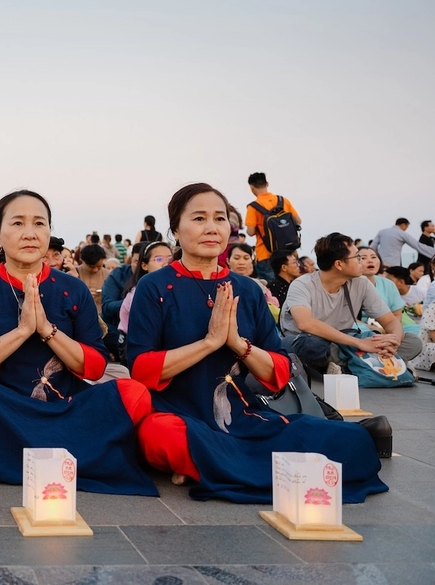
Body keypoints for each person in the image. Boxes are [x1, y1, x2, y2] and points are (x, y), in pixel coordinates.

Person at [129, 183, 387, 503]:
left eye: (220, 219)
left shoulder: (247, 290)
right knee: (158, 436)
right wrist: (210, 342)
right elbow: (141, 369)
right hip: (179, 415)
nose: (212, 228)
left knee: (352, 440)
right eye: (198, 218)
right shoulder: (155, 286)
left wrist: (239, 344)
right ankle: (218, 462)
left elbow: (278, 371)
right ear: (175, 231)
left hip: (244, 416)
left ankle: (207, 466)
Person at [0, 190, 156, 495]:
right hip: (4, 410)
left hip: (65, 408)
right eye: (18, 223)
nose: (30, 233)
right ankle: (71, 455)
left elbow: (95, 366)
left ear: (49, 232)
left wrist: (47, 330)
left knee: (135, 393)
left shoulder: (72, 289)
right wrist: (22, 331)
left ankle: (7, 456)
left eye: (39, 224)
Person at [280, 233, 423, 377]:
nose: (361, 262)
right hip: (307, 340)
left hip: (345, 342)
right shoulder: (302, 284)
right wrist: (360, 344)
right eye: (357, 257)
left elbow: (390, 321)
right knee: (312, 346)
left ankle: (355, 365)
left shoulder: (361, 283)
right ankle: (383, 364)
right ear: (339, 264)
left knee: (413, 341)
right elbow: (305, 324)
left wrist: (393, 342)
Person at [244, 172, 302, 280]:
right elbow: (298, 221)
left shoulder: (253, 207)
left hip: (265, 253)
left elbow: (251, 232)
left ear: (251, 188)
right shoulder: (283, 200)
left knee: (271, 291)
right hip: (288, 253)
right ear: (267, 184)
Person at [118, 241, 173, 335]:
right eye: (159, 259)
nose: (166, 264)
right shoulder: (138, 293)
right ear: (144, 265)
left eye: (170, 259)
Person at [76, 244, 108, 316]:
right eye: (91, 267)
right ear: (82, 261)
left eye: (99, 266)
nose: (95, 270)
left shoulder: (108, 275)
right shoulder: (74, 273)